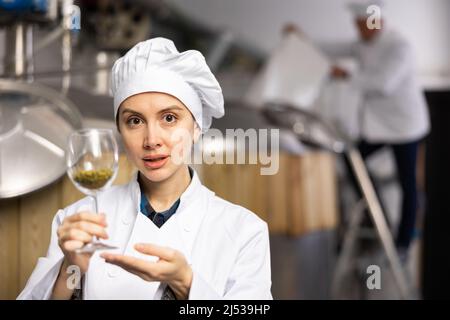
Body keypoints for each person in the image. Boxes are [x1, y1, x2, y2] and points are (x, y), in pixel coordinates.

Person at [17, 37, 272, 300]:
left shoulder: (244, 231)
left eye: (169, 118)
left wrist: (186, 284)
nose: (151, 140)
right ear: (120, 130)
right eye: (135, 121)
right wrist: (70, 268)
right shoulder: (80, 217)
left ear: (197, 128)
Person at [331, 1, 430, 259]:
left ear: (376, 22)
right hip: (380, 126)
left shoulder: (399, 47)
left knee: (408, 182)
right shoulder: (362, 46)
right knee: (352, 159)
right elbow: (334, 47)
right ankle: (377, 215)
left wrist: (347, 76)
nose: (358, 30)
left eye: (362, 25)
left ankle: (404, 244)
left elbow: (384, 83)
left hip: (405, 126)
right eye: (356, 25)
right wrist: (300, 38)